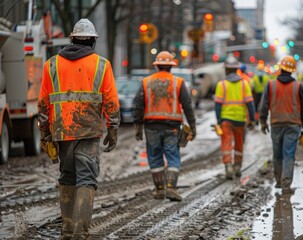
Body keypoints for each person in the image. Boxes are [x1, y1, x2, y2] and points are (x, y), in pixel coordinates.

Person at [37, 18, 120, 239]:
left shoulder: (51, 64)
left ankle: (67, 230)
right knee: (86, 179)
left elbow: (43, 103)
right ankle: (80, 232)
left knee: (67, 176)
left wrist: (45, 132)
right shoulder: (102, 65)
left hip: (61, 130)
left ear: (72, 38)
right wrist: (113, 128)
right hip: (89, 130)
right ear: (92, 41)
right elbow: (111, 101)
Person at [133, 51, 196, 202]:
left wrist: (138, 126)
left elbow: (138, 105)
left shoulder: (146, 82)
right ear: (171, 67)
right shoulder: (178, 82)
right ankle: (171, 187)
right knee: (173, 155)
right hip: (172, 126)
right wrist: (193, 126)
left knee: (154, 156)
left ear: (157, 66)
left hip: (151, 126)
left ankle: (160, 189)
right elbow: (188, 106)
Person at [259, 55, 303, 193]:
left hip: (276, 124)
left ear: (280, 68)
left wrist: (263, 122)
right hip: (293, 126)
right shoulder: (299, 87)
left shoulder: (270, 85)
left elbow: (263, 106)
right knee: (288, 154)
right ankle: (286, 183)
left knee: (277, 154)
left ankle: (278, 181)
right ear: (292, 70)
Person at [214, 54, 255, 180]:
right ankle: (237, 167)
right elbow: (250, 104)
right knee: (239, 144)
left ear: (226, 70)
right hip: (240, 120)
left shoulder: (221, 85)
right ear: (236, 69)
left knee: (226, 143)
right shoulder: (244, 84)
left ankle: (228, 167)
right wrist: (252, 119)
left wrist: (219, 120)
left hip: (226, 120)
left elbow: (217, 105)